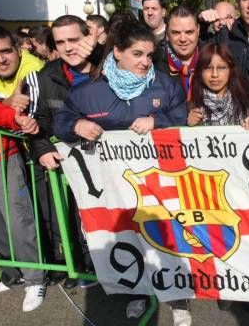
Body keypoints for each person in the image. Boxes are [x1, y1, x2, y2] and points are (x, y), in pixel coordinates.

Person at [52, 19, 190, 326]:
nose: (145, 62)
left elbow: (184, 113)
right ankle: (139, 293)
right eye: (137, 54)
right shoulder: (89, 92)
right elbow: (60, 122)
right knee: (128, 240)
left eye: (149, 55)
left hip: (161, 183)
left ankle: (177, 297)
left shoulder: (164, 84)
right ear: (117, 52)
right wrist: (77, 126)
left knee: (166, 239)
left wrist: (160, 121)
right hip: (115, 188)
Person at [0, 24, 47, 312]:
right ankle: (12, 272)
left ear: (16, 47)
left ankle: (34, 277)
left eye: (4, 50)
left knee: (19, 220)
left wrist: (15, 119)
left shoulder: (30, 67)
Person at [25, 15, 100, 289]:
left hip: (110, 164)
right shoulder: (46, 76)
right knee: (73, 219)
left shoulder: (107, 67)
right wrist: (42, 148)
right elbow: (39, 123)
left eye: (74, 40)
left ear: (87, 37)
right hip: (71, 166)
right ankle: (84, 266)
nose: (68, 48)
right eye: (61, 42)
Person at [187, 42, 249, 127]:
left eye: (221, 68)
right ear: (200, 71)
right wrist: (191, 126)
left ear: (230, 70)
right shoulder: (192, 104)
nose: (214, 75)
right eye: (208, 68)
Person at [153, 6, 201, 100]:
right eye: (176, 33)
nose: (183, 39)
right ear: (167, 33)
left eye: (189, 32)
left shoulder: (212, 59)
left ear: (198, 30)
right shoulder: (154, 64)